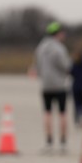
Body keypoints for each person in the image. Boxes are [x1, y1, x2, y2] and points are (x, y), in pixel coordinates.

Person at [34, 21, 71, 153]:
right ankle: (62, 142)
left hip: (46, 85)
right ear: (57, 34)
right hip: (60, 85)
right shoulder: (60, 48)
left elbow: (37, 67)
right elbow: (66, 66)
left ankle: (48, 142)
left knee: (47, 113)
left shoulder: (40, 48)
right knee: (62, 113)